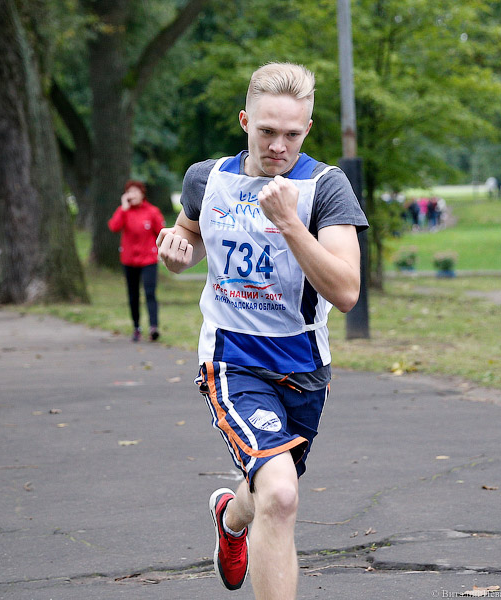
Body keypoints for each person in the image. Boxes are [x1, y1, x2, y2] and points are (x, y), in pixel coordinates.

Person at [156, 63, 368, 599]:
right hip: (232, 358)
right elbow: (189, 234)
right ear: (244, 121)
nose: (278, 146)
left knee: (272, 489)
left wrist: (291, 222)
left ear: (308, 129)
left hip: (303, 366)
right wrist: (176, 250)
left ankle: (230, 518)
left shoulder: (324, 186)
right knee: (282, 494)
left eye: (292, 135)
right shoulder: (207, 177)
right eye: (267, 131)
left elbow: (346, 292)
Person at [108, 180, 166, 341]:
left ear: (142, 194)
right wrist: (123, 208)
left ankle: (153, 327)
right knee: (133, 294)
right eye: (129, 192)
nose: (132, 195)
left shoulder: (152, 211)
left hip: (148, 259)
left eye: (135, 191)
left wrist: (162, 252)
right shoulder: (124, 211)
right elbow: (114, 227)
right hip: (129, 260)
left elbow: (161, 233)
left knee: (149, 292)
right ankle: (136, 327)